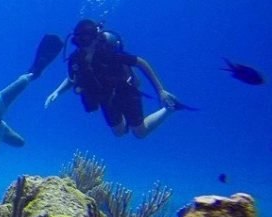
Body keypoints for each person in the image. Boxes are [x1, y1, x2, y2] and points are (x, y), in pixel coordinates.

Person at [44, 19, 190, 138]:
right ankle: (130, 118)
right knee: (119, 133)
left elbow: (142, 63)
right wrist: (57, 92)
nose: (83, 46)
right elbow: (73, 78)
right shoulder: (77, 58)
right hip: (105, 97)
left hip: (125, 90)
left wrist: (161, 91)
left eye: (86, 41)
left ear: (95, 39)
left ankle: (169, 109)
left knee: (140, 132)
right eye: (78, 42)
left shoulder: (110, 53)